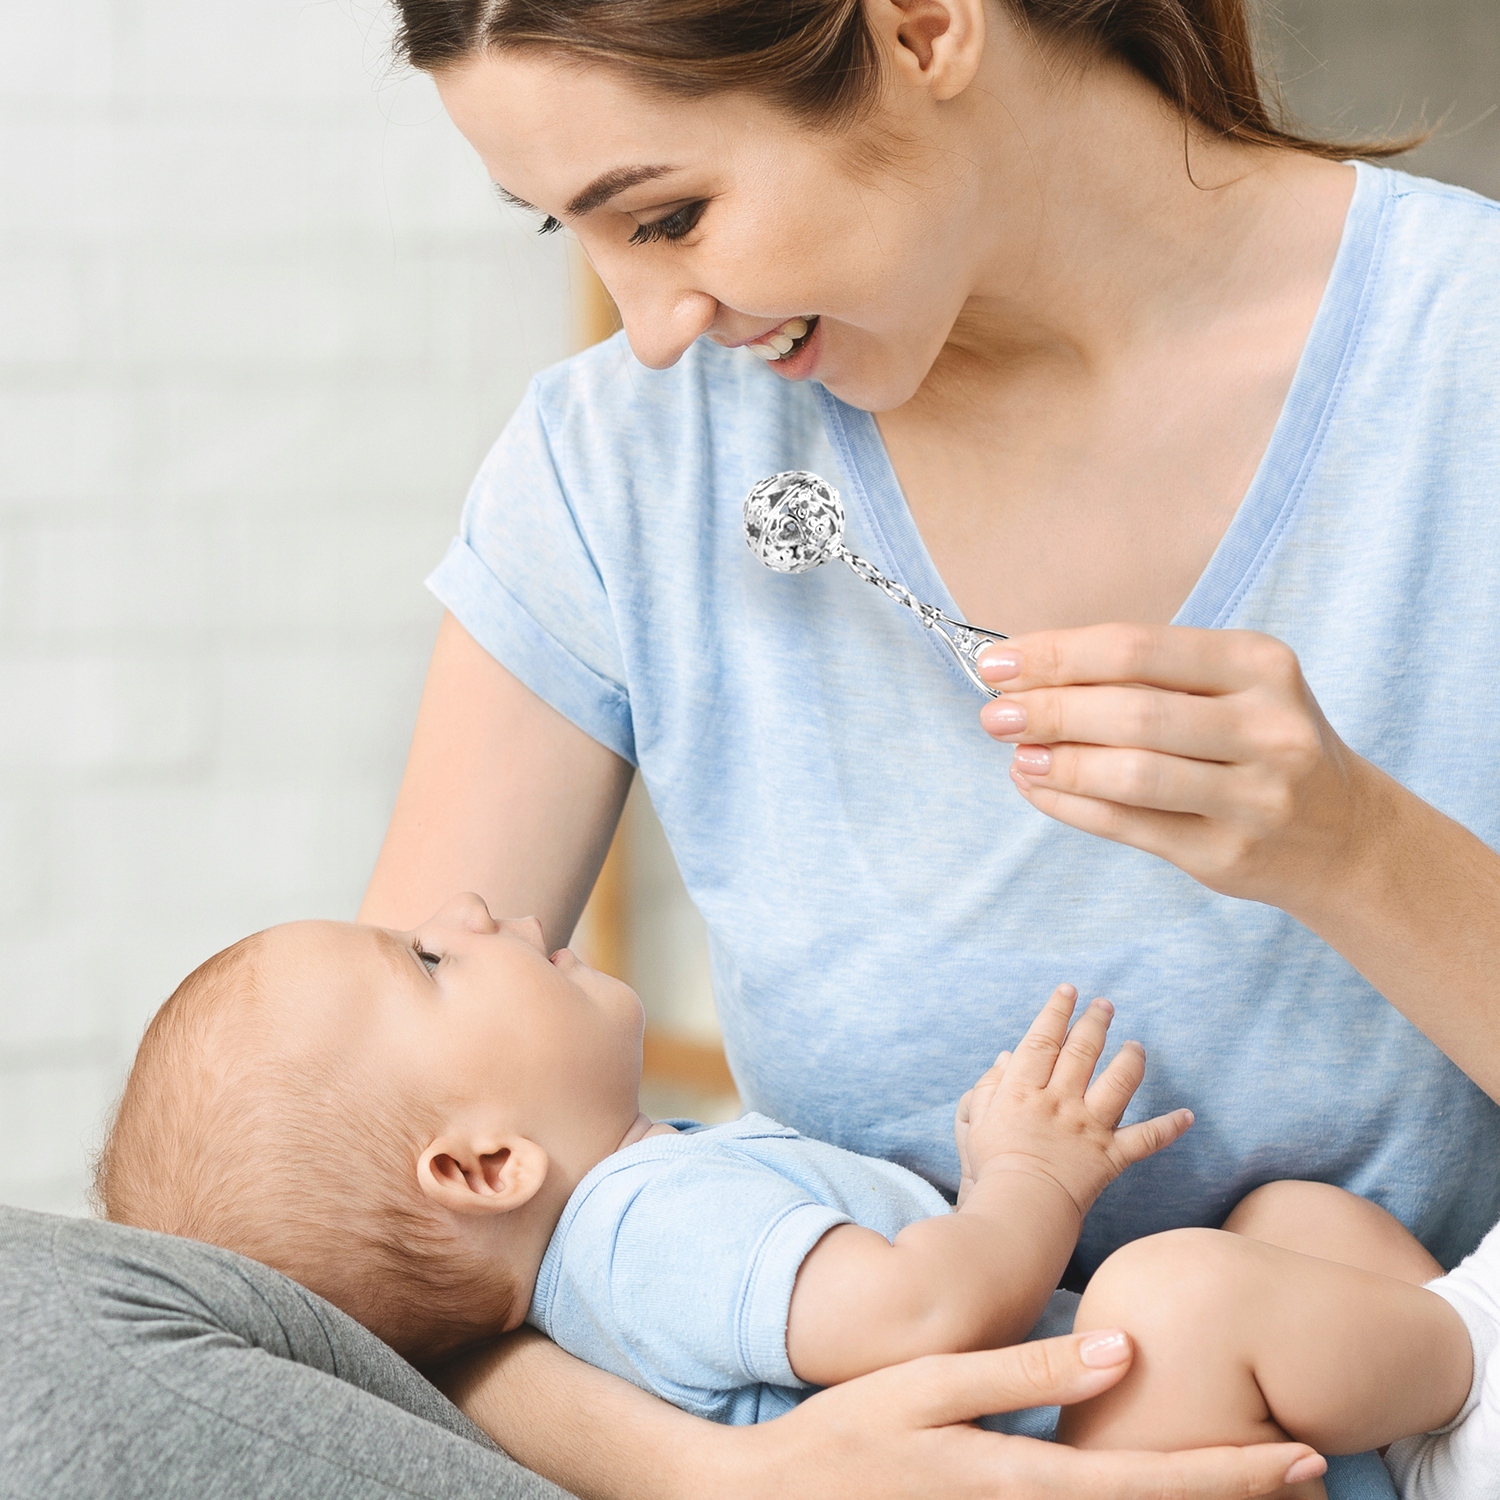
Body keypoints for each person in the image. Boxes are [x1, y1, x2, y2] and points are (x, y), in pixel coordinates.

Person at [350, 0, 1500, 1496]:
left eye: (670, 216)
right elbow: (366, 1234)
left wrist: (1360, 854)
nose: (651, 328)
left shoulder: (1464, 363)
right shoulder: (624, 464)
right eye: (569, 229)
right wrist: (709, 1477)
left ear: (924, 25)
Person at [93, 895, 1500, 1500]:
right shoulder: (641, 1229)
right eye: (426, 962)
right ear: (482, 1169)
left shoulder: (634, 1219)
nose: (465, 913)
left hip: (1182, 1447)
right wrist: (1025, 1178)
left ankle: (1446, 1425)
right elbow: (921, 1313)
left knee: (1286, 1227)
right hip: (1100, 1471)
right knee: (1170, 1292)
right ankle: (1475, 1379)